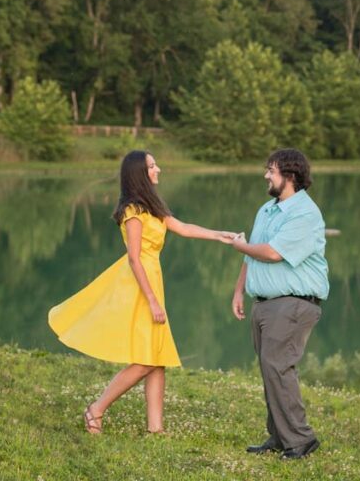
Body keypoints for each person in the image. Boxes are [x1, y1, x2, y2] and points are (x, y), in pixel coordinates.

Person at [48, 149, 236, 435]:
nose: (158, 169)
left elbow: (182, 227)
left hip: (152, 281)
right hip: (139, 286)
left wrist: (219, 235)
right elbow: (134, 258)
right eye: (152, 166)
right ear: (140, 173)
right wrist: (151, 300)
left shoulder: (153, 207)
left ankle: (155, 429)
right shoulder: (133, 211)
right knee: (146, 359)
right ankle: (95, 410)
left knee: (157, 358)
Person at [230, 148, 329, 461]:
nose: (266, 175)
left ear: (290, 175)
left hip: (294, 303)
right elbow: (253, 254)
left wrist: (239, 245)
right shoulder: (267, 210)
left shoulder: (305, 214)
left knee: (277, 366)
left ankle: (301, 439)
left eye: (270, 170)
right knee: (271, 369)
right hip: (267, 304)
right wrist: (238, 290)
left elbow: (272, 253)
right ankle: (280, 435)